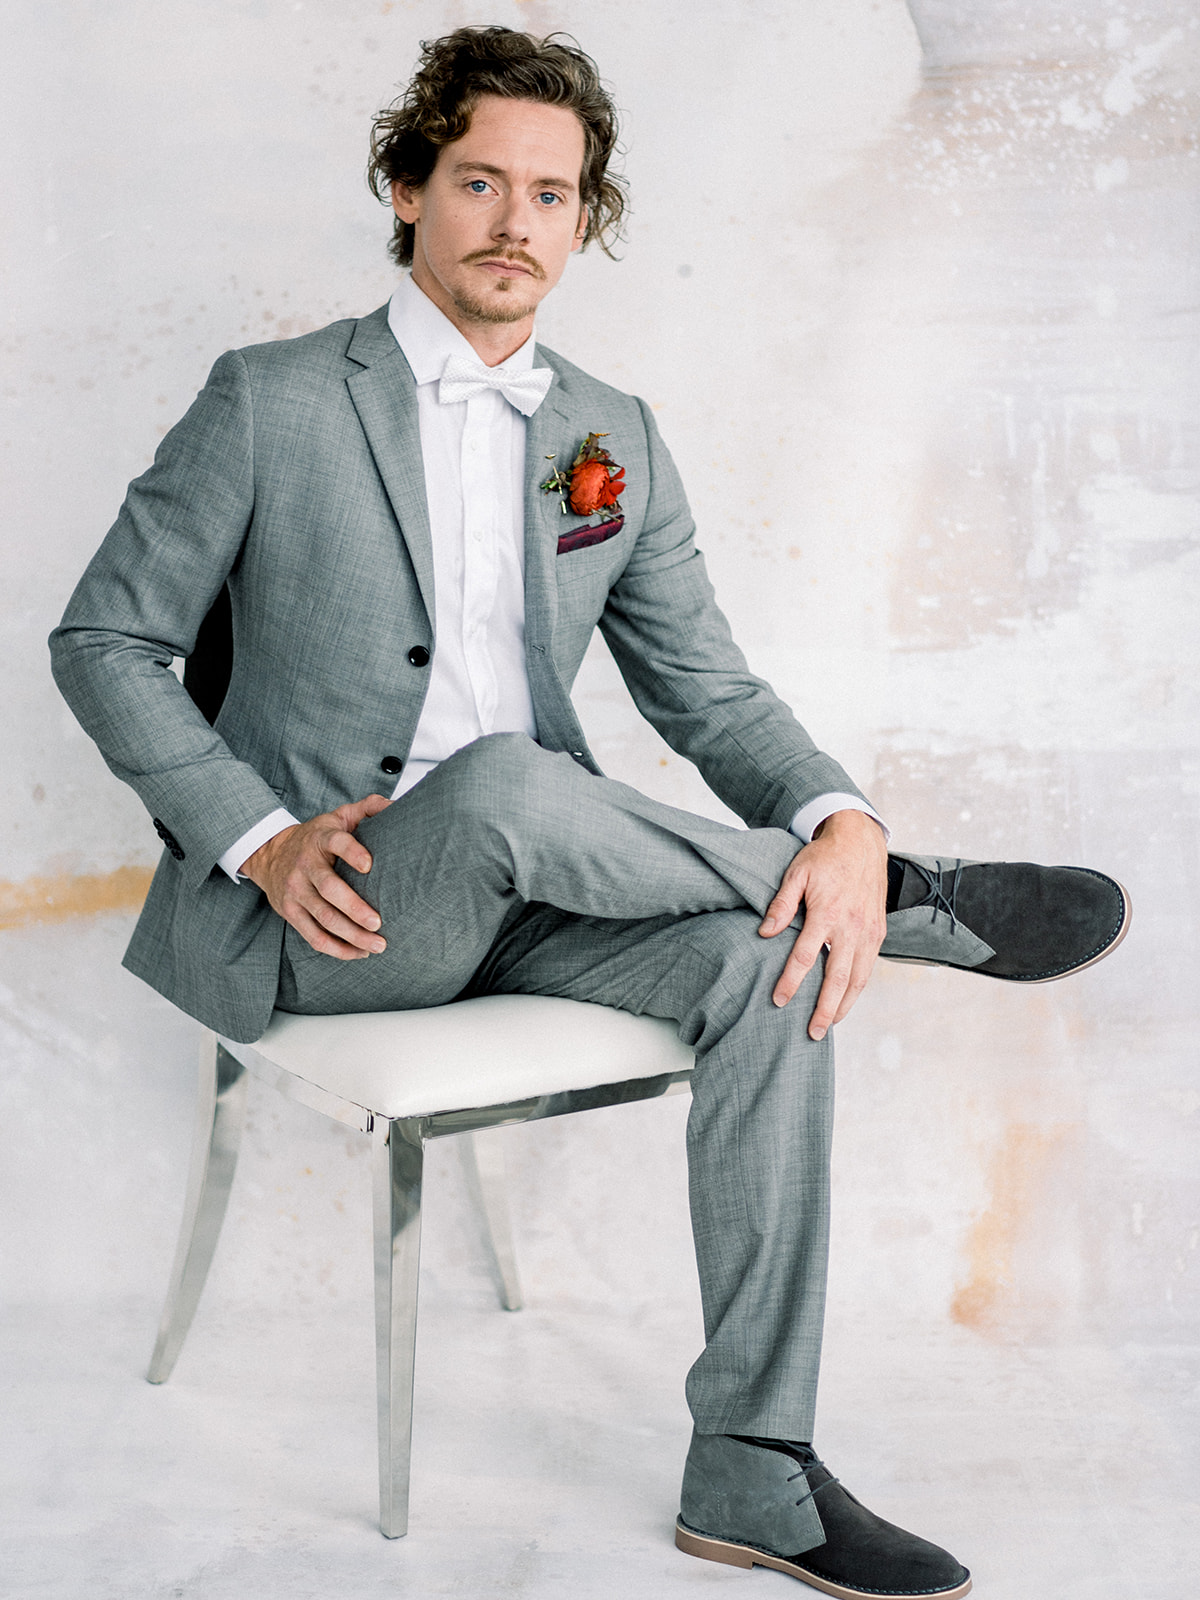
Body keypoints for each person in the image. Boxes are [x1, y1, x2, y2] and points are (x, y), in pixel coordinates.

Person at [49, 26, 1129, 1599]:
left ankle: (753, 1472)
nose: (515, 223)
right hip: (330, 914)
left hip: (541, 891)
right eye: (479, 181)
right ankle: (913, 899)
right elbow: (104, 642)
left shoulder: (609, 433)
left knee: (773, 966)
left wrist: (833, 813)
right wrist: (256, 834)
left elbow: (712, 693)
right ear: (409, 189)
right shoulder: (273, 399)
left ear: (584, 219)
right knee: (500, 782)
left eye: (553, 195)